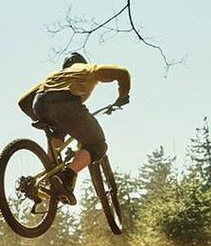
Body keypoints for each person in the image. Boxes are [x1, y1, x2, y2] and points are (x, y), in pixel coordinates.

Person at [18, 52, 130, 205]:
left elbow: (23, 102)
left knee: (59, 130)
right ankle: (67, 175)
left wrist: (39, 119)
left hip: (40, 103)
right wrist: (122, 97)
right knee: (97, 144)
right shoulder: (89, 69)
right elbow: (123, 73)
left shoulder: (55, 76)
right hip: (66, 103)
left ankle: (46, 178)